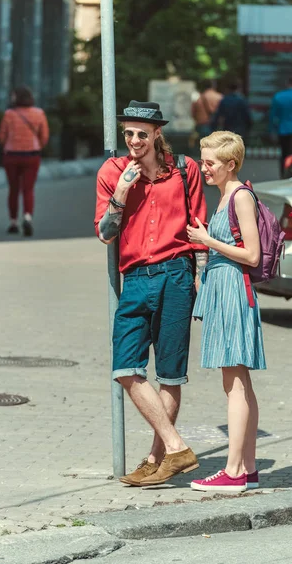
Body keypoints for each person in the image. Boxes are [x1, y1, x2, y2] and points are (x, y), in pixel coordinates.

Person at [94, 100, 208, 487]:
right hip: (136, 278)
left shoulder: (185, 169)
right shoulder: (112, 172)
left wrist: (203, 279)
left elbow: (198, 227)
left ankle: (158, 458)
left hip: (177, 274)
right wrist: (123, 190)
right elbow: (105, 233)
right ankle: (178, 446)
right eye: (128, 133)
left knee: (171, 373)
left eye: (142, 134)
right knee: (125, 367)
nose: (134, 140)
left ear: (157, 133)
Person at [187, 131, 266, 492]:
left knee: (234, 384)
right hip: (225, 291)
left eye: (210, 163)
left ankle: (233, 471)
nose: (204, 168)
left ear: (230, 164)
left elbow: (252, 255)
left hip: (234, 292)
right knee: (240, 384)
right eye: (203, 160)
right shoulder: (225, 198)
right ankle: (247, 468)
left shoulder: (239, 197)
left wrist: (207, 241)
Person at [0, 86, 49, 236]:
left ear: (17, 97)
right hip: (32, 155)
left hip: (12, 155)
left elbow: (2, 136)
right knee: (28, 189)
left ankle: (13, 222)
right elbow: (44, 136)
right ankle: (27, 217)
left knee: (13, 189)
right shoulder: (39, 113)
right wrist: (37, 145)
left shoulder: (9, 114)